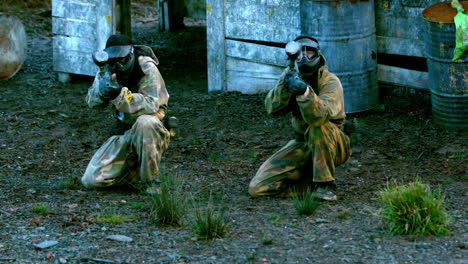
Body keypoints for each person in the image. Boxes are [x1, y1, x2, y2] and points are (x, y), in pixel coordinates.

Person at [248, 36, 352, 201]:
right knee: (258, 188)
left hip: (334, 144)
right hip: (303, 142)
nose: (304, 57)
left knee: (319, 128)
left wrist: (305, 93)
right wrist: (285, 88)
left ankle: (325, 186)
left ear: (317, 55)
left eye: (309, 52)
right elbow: (271, 108)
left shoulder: (330, 82)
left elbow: (318, 118)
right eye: (299, 53)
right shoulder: (290, 75)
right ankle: (308, 187)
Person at [81, 34, 171, 195]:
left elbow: (152, 105)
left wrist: (120, 94)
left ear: (130, 55)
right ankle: (134, 173)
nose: (118, 64)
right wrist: (101, 91)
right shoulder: (107, 68)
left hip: (151, 131)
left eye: (121, 59)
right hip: (124, 132)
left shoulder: (146, 67)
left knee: (146, 123)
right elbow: (92, 103)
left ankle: (151, 181)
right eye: (113, 60)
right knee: (91, 180)